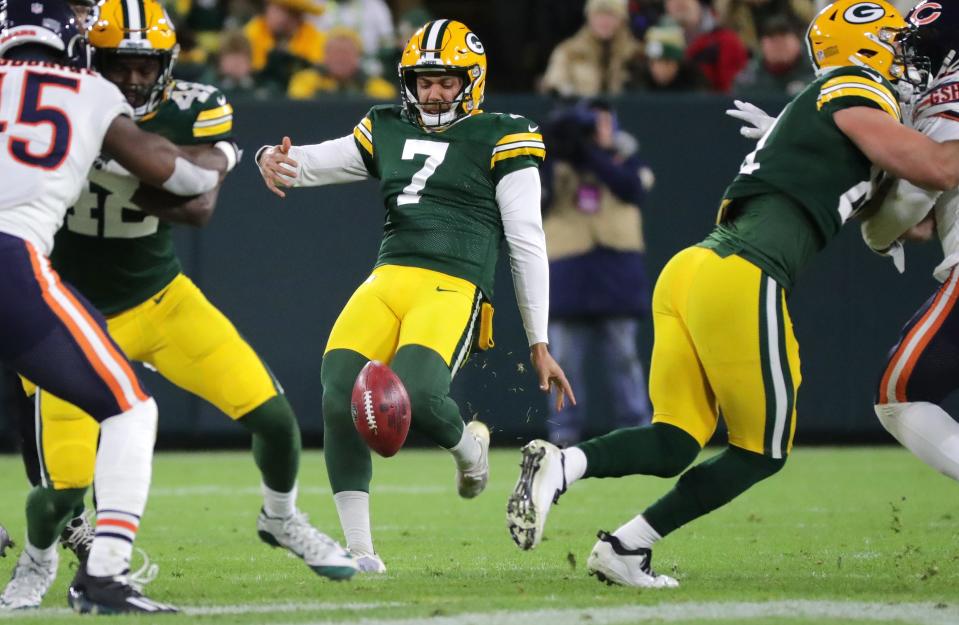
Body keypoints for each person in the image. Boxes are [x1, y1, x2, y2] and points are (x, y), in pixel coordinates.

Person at [506, 0, 959, 588]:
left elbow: (901, 215)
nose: (907, 58)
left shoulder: (832, 104)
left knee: (674, 441)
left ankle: (578, 485)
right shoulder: (854, 87)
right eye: (895, 43)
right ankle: (622, 533)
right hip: (745, 272)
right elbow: (938, 166)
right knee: (762, 449)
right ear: (864, 48)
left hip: (695, 269)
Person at [1, 0, 357, 611]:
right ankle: (37, 560)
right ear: (90, 55)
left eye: (146, 66)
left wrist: (108, 161)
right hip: (69, 307)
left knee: (273, 418)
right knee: (62, 491)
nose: (135, 79)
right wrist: (173, 163)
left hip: (160, 297)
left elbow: (198, 209)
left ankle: (282, 517)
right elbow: (186, 182)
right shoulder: (79, 94)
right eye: (120, 64)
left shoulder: (186, 104)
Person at [257, 19, 575, 573]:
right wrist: (268, 155)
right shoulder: (387, 125)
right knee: (337, 395)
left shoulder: (504, 134)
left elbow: (527, 240)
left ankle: (470, 451)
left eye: (445, 82)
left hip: (452, 284)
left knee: (422, 398)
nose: (432, 93)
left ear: (470, 82)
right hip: (387, 279)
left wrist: (539, 340)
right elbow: (308, 161)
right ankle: (360, 551)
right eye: (424, 81)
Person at [0, 0, 221, 613]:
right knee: (129, 409)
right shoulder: (89, 90)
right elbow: (170, 174)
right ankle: (105, 574)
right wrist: (222, 158)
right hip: (12, 262)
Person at [859, 0, 959, 483]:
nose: (906, 64)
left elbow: (923, 188)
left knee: (901, 396)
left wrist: (873, 227)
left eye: (916, 53)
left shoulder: (944, 91)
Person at [540, 99, 655, 447]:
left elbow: (632, 187)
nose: (596, 130)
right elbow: (539, 200)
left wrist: (591, 154)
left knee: (624, 358)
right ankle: (563, 434)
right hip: (568, 274)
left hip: (615, 273)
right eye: (589, 124)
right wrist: (555, 146)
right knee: (564, 362)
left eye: (602, 123)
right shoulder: (554, 161)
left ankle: (638, 432)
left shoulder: (627, 159)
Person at [540, 0, 643, 97]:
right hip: (581, 113)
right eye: (598, 15)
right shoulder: (569, 51)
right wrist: (565, 92)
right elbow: (554, 83)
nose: (604, 22)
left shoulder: (635, 53)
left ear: (622, 20)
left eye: (611, 15)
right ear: (589, 18)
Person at [733, 15, 816, 97]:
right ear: (761, 45)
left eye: (783, 36)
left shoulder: (817, 74)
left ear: (798, 41)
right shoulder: (748, 80)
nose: (778, 44)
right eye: (771, 38)